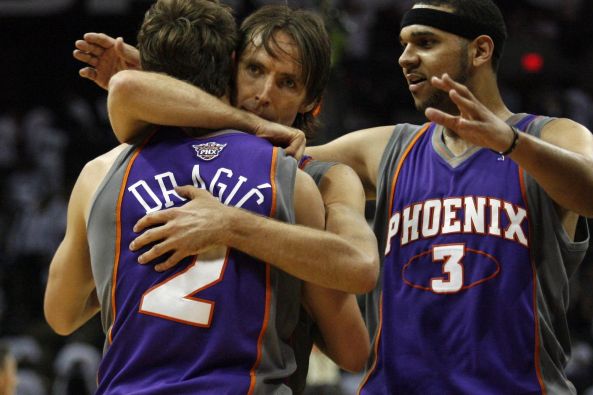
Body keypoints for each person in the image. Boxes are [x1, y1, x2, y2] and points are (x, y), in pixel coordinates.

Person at [74, 0, 593, 393]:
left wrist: (511, 143)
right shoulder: (388, 147)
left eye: (424, 43)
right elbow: (263, 144)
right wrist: (168, 72)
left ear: (480, 49)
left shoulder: (554, 136)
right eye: (403, 46)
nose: (405, 58)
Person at [45, 1, 368, 393]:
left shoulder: (101, 173)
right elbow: (353, 349)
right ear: (231, 66)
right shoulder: (295, 184)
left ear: (310, 101)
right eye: (254, 70)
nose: (264, 94)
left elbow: (60, 316)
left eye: (288, 82)